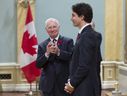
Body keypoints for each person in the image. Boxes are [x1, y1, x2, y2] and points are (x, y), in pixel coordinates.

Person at [64, 2, 102, 96]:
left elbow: (84, 66)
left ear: (82, 17)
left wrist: (71, 84)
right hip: (84, 86)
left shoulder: (87, 36)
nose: (71, 18)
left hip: (85, 88)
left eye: (73, 15)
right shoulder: (87, 34)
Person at [36, 18, 74, 96]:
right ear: (46, 30)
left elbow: (72, 58)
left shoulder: (68, 41)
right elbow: (38, 64)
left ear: (58, 27)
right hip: (47, 85)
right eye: (49, 27)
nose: (52, 29)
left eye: (54, 27)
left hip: (64, 83)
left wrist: (58, 52)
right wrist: (47, 53)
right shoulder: (42, 45)